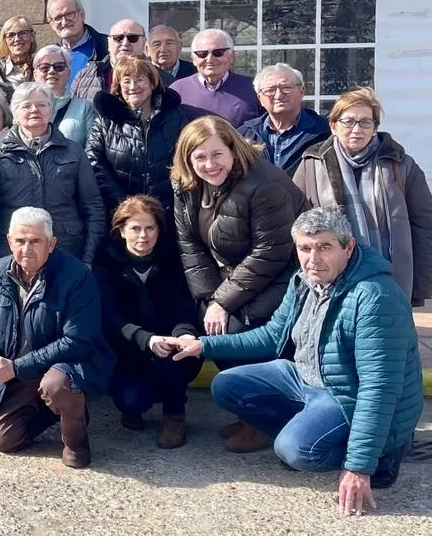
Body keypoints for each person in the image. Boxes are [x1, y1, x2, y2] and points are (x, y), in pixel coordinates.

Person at [173, 207, 423, 513]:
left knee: (295, 450)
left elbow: (378, 389)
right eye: (305, 248)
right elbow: (271, 335)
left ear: (349, 247)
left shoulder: (375, 297)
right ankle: (310, 430)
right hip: (305, 378)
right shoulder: (303, 281)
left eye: (324, 247)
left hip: (347, 395)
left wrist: (360, 467)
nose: (313, 259)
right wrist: (203, 345)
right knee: (226, 385)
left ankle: (383, 455)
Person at [172, 115, 306, 451]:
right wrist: (208, 300)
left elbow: (273, 251)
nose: (209, 164)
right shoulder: (185, 184)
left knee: (236, 333)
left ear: (234, 150)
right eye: (199, 157)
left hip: (282, 275)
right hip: (231, 278)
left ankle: (268, 418)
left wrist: (223, 303)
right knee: (212, 328)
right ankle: (252, 413)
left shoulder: (264, 182)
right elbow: (190, 245)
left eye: (217, 154)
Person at [0, 207, 113, 469]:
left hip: (68, 366)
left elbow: (77, 341)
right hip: (21, 370)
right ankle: (56, 412)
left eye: (35, 241)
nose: (26, 248)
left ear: (51, 244)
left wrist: (16, 368)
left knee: (56, 385)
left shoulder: (77, 276)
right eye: (20, 241)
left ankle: (76, 442)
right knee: (4, 440)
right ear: (9, 241)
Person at [293, 88, 432, 304]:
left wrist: (421, 284)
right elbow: (295, 221)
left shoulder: (401, 164)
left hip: (390, 274)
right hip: (331, 272)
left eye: (365, 122)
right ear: (333, 125)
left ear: (375, 128)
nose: (356, 129)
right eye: (348, 121)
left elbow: (424, 223)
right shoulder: (311, 164)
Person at [95, 195, 203, 449]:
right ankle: (135, 405)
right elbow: (109, 318)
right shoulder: (105, 264)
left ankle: (174, 415)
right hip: (127, 354)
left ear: (158, 229)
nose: (143, 235)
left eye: (150, 228)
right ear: (121, 231)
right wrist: (146, 339)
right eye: (135, 228)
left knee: (174, 363)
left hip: (168, 348)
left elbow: (184, 306)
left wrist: (184, 333)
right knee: (132, 399)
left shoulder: (173, 260)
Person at [0, 82, 104, 264]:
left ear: (51, 110)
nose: (34, 110)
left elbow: (93, 206)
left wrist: (88, 258)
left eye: (41, 105)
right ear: (14, 113)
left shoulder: (73, 152)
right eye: (26, 106)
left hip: (66, 251)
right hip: (13, 254)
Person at [86, 57, 185, 217]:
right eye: (126, 81)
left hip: (168, 213)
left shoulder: (175, 118)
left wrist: (170, 202)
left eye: (140, 80)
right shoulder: (105, 121)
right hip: (121, 214)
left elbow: (185, 160)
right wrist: (126, 206)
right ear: (118, 86)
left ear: (152, 83)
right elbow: (96, 164)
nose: (133, 87)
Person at [238, 63, 329, 176]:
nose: (278, 95)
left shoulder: (325, 131)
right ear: (260, 98)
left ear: (302, 91)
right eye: (270, 90)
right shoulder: (244, 135)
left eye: (286, 88)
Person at [169, 28, 261, 127]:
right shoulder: (177, 90)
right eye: (202, 54)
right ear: (194, 59)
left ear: (232, 56)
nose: (210, 60)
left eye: (218, 53)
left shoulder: (253, 88)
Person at [31, 45, 94, 146]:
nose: (51, 71)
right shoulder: (24, 108)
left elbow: (93, 152)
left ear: (69, 73)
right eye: (44, 67)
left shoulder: (85, 108)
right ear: (35, 75)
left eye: (59, 67)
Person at [71, 18, 148, 99]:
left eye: (133, 38)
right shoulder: (84, 76)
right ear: (109, 43)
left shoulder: (158, 76)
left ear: (144, 42)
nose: (125, 43)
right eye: (118, 38)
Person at [46, 0, 108, 86]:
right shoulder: (49, 55)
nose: (64, 22)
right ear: (51, 24)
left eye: (70, 14)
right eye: (58, 18)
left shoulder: (107, 47)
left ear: (82, 15)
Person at [0, 16, 37, 90]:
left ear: (32, 36)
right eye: (11, 35)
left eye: (23, 33)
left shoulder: (40, 65)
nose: (17, 39)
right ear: (5, 40)